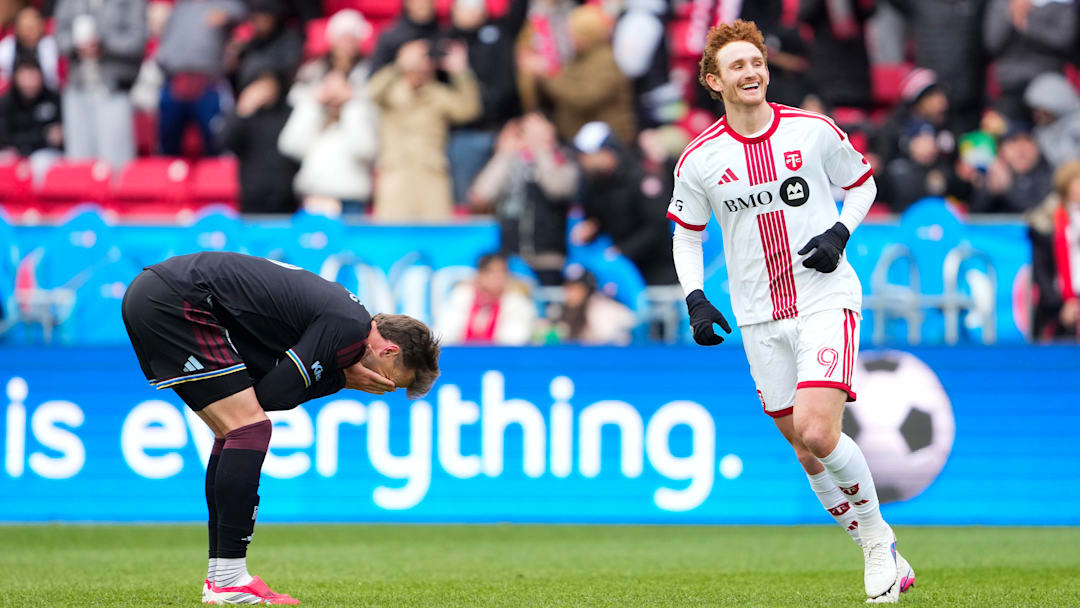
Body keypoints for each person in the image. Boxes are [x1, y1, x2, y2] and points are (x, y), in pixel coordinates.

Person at [665, 20, 914, 602]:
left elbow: (863, 186)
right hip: (756, 316)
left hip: (823, 298)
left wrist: (838, 233)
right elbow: (685, 236)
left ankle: (879, 544)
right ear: (713, 81)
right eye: (737, 67)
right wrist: (696, 300)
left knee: (818, 429)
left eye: (757, 62)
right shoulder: (699, 160)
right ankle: (875, 547)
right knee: (802, 449)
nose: (750, 73)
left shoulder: (811, 130)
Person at [121, 251, 441, 605]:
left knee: (233, 431)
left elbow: (265, 381)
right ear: (389, 352)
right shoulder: (351, 329)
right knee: (251, 428)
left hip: (158, 293)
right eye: (387, 381)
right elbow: (274, 394)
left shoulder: (345, 313)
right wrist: (342, 380)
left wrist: (335, 375)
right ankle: (229, 580)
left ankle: (220, 578)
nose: (377, 385)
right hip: (177, 299)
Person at [368, 39, 481, 221]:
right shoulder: (390, 92)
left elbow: (468, 109)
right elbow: (370, 92)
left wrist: (461, 73)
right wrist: (397, 65)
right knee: (393, 237)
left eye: (425, 57)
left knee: (434, 236)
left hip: (431, 176)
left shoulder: (438, 94)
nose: (420, 63)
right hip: (395, 175)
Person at [469, 112, 578, 286]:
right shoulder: (511, 162)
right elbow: (481, 195)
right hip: (510, 260)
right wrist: (504, 154)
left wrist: (542, 149)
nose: (528, 137)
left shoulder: (563, 157)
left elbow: (558, 188)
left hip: (548, 259)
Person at [54, 0, 146, 169]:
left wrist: (104, 44)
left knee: (115, 162)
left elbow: (137, 40)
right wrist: (76, 46)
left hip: (113, 89)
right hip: (77, 88)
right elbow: (58, 37)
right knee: (78, 161)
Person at [435, 252, 537, 345]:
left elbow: (515, 339)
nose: (498, 277)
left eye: (502, 272)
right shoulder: (461, 297)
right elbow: (444, 334)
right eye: (491, 272)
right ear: (480, 275)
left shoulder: (517, 303)